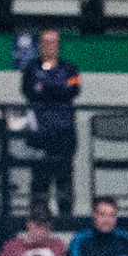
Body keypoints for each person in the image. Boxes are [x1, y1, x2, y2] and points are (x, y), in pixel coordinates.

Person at [21, 30, 79, 220]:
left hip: (64, 133)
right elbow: (28, 90)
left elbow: (73, 90)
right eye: (45, 42)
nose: (49, 46)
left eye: (53, 42)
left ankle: (65, 219)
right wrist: (57, 90)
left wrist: (45, 88)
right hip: (40, 134)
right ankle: (38, 220)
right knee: (40, 181)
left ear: (59, 45)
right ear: (39, 45)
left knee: (64, 179)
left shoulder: (70, 69)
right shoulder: (31, 68)